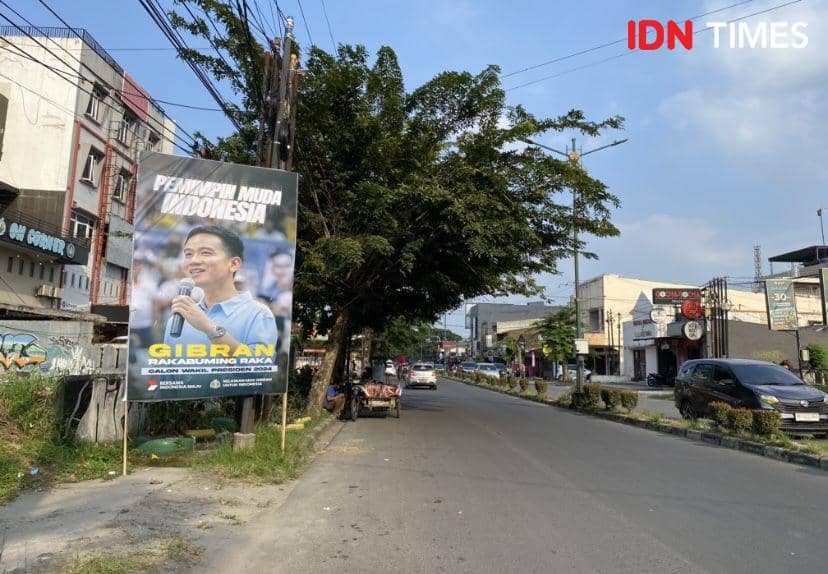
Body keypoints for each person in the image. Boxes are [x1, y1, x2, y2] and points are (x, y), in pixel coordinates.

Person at [163, 226, 277, 356]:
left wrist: (209, 328)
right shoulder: (178, 319)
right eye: (188, 254)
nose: (193, 260)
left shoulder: (258, 314)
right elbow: (169, 374)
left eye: (206, 252)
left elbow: (258, 370)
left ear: (234, 264)